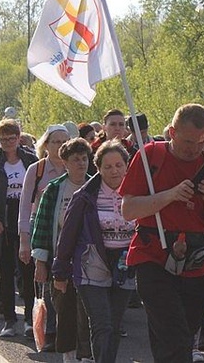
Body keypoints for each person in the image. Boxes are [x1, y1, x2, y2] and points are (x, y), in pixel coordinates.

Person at [120, 103, 204, 362]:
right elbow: (128, 209)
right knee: (177, 338)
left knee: (174, 339)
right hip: (152, 256)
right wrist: (169, 195)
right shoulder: (150, 156)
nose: (194, 149)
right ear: (172, 132)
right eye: (188, 141)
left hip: (196, 261)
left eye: (201, 142)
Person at [50, 139, 135, 363]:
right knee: (102, 325)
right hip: (91, 266)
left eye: (118, 165)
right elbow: (67, 236)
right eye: (107, 166)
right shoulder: (84, 197)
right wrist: (60, 271)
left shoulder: (137, 194)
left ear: (127, 166)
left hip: (125, 265)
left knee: (114, 326)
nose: (114, 171)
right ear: (98, 168)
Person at [0, 119, 38, 337]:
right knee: (4, 270)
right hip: (2, 220)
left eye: (12, 138)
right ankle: (9, 320)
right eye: (4, 139)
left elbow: (40, 189)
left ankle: (30, 319)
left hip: (25, 217)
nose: (9, 143)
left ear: (19, 138)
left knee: (28, 270)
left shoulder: (30, 159)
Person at [32, 137, 93, 362]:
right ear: (65, 163)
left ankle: (87, 354)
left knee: (87, 310)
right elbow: (42, 225)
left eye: (84, 159)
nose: (81, 164)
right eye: (75, 159)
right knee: (65, 310)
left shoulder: (95, 187)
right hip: (61, 262)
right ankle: (69, 355)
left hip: (90, 262)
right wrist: (40, 262)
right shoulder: (54, 190)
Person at [19, 124, 70, 347]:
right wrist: (24, 240)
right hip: (42, 232)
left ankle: (67, 329)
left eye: (63, 141)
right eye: (55, 142)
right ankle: (48, 332)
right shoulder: (36, 170)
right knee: (46, 280)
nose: (60, 146)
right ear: (46, 145)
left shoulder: (75, 168)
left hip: (69, 233)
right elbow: (24, 206)